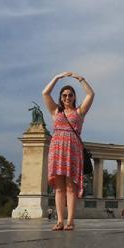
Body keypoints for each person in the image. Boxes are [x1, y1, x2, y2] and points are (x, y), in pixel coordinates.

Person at [43, 72, 94, 231]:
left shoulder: (79, 112)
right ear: (60, 97)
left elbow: (91, 94)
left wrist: (80, 79)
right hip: (57, 150)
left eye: (70, 95)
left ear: (74, 97)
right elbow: (45, 93)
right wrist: (57, 78)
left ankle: (70, 221)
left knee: (70, 187)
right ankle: (59, 220)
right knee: (58, 188)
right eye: (64, 95)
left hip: (72, 150)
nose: (67, 97)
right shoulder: (55, 112)